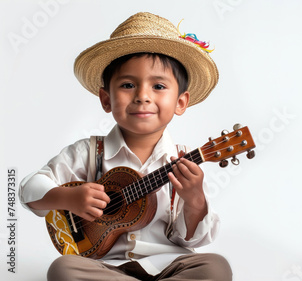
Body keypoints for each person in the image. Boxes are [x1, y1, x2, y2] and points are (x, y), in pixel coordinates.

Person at [19, 12, 232, 281]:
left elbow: (192, 239)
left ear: (180, 102)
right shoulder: (88, 153)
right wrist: (68, 198)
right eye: (128, 85)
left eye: (158, 86)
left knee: (215, 266)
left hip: (167, 264)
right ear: (106, 100)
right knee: (63, 269)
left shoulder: (182, 162)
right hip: (106, 267)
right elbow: (29, 189)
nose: (143, 96)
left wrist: (195, 200)